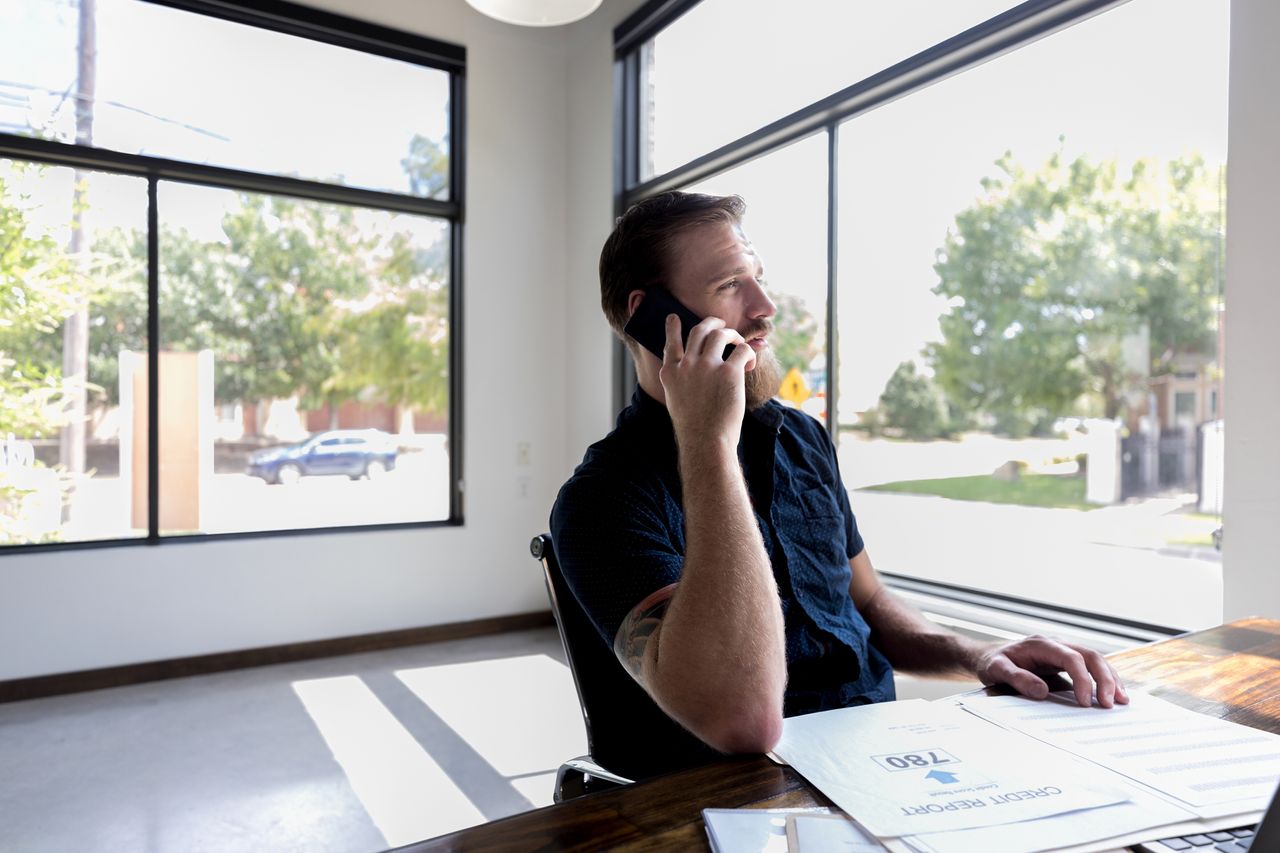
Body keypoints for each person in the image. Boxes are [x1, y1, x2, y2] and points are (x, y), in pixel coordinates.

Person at [550, 190, 1126, 779]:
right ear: (649, 318)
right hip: (739, 795)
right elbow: (743, 720)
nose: (765, 307)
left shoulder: (801, 438)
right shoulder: (599, 501)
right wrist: (708, 444)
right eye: (729, 285)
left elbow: (867, 601)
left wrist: (978, 654)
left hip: (882, 757)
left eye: (760, 279)